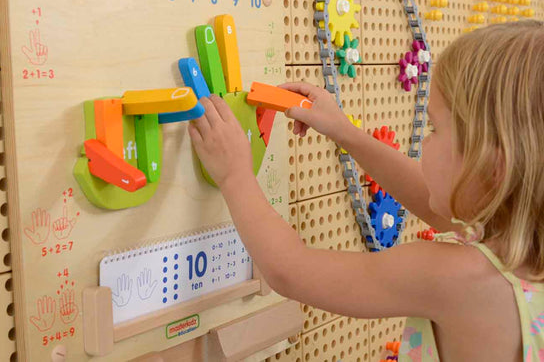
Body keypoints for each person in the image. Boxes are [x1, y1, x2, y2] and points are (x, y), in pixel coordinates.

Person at [188, 20, 544, 361]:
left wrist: (235, 173)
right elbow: (436, 206)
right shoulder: (520, 256)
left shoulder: (453, 276)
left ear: (491, 168)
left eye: (435, 128)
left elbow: (290, 271)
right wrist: (345, 133)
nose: (423, 140)